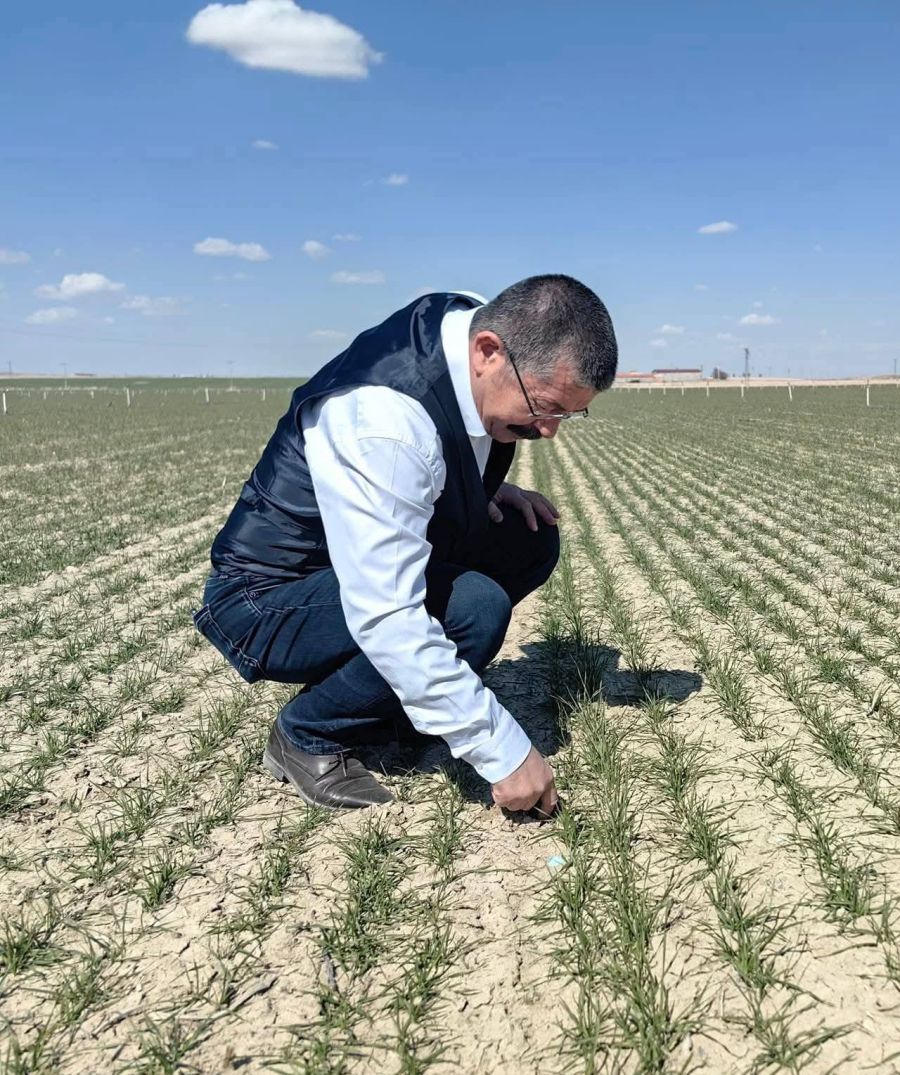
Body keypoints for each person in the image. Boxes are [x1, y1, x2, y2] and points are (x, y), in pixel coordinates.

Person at [192, 275, 618, 813]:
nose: (550, 430)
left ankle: (394, 702)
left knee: (527, 539)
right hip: (266, 597)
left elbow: (437, 451)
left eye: (567, 415)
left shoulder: (471, 332)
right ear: (488, 353)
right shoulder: (385, 421)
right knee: (472, 609)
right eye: (544, 406)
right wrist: (503, 751)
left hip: (344, 564)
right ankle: (306, 734)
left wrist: (485, 490)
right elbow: (388, 614)